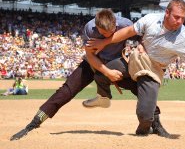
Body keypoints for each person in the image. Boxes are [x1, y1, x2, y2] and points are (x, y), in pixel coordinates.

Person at [10, 9, 170, 141]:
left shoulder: (126, 24)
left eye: (111, 33)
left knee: (140, 87)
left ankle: (156, 124)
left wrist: (141, 46)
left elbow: (142, 36)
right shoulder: (89, 28)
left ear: (116, 24)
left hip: (116, 63)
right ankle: (33, 123)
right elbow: (91, 55)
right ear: (97, 28)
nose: (107, 36)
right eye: (103, 34)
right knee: (66, 91)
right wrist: (107, 72)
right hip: (93, 64)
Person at [85, 0, 185, 136]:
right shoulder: (151, 19)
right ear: (167, 13)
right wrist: (104, 42)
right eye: (176, 17)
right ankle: (104, 96)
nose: (179, 21)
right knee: (103, 72)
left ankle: (143, 130)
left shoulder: (184, 37)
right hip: (136, 59)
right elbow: (128, 32)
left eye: (182, 18)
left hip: (153, 71)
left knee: (145, 115)